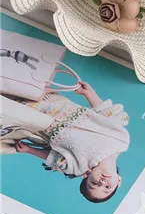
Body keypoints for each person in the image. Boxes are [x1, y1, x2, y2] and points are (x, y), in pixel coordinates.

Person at [0, 82, 130, 202]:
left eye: (94, 184)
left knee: (8, 107)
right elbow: (106, 113)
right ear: (118, 181)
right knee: (15, 86)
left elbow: (53, 157)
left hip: (38, 119)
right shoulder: (121, 140)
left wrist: (30, 150)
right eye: (107, 187)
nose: (102, 182)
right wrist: (89, 94)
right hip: (55, 103)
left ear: (86, 175)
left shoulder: (79, 167)